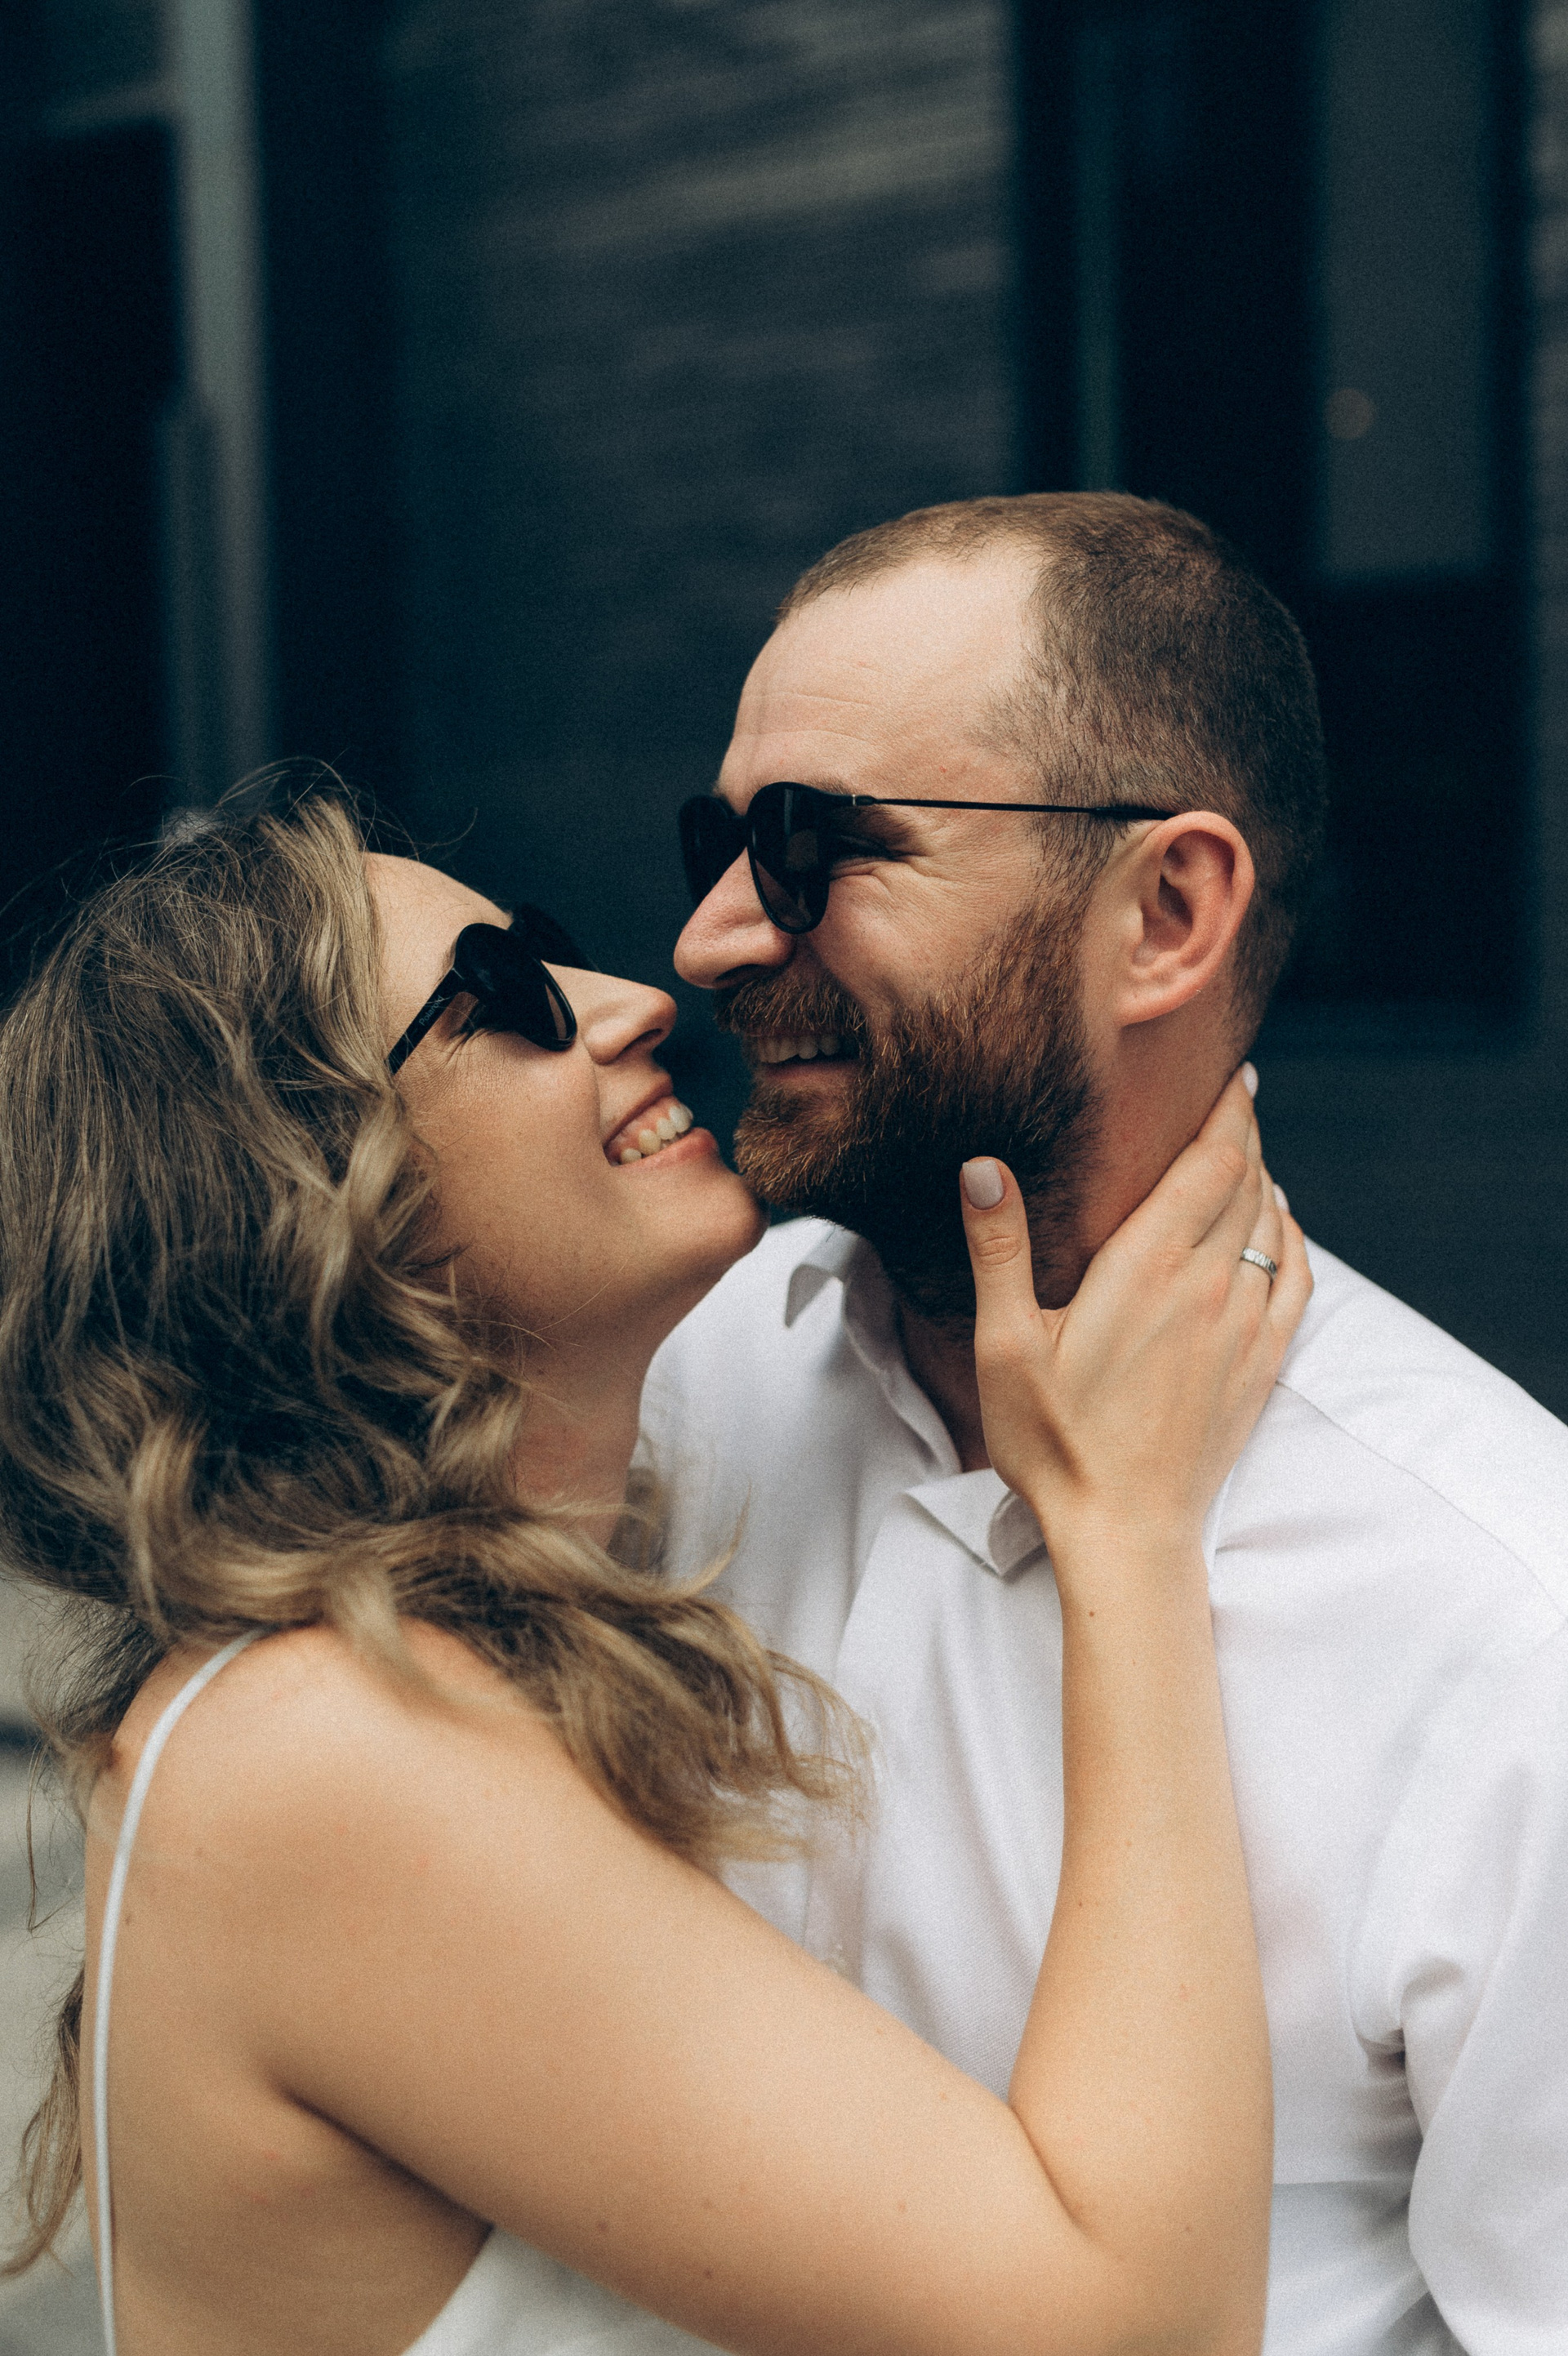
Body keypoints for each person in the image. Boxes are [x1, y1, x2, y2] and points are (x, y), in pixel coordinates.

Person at [0, 789, 1307, 2356]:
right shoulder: (320, 1751)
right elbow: (1140, 2331)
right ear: (295, 1191)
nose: (633, 1000)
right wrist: (1131, 1532)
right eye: (502, 993)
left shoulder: (458, 1679)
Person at [654, 491, 1568, 2356]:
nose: (710, 938)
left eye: (811, 845)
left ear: (1166, 913)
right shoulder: (671, 1389)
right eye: (720, 842)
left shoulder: (1506, 1616)